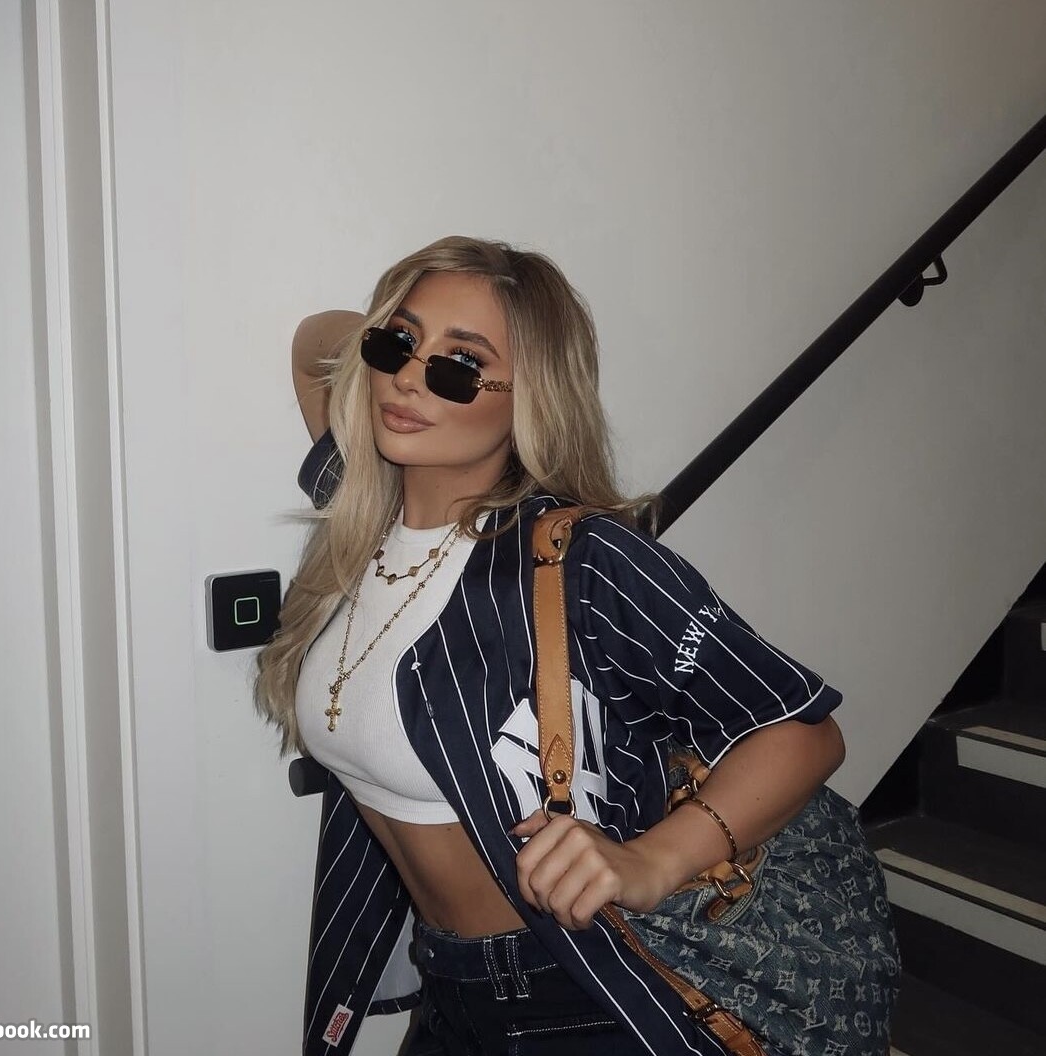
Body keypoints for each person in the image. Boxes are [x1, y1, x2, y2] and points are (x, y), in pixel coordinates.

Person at [255, 236, 896, 1056]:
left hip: (579, 989)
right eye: (399, 343)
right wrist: (414, 344)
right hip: (447, 986)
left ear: (532, 396)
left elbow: (802, 732)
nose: (409, 380)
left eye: (462, 365)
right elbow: (315, 342)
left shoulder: (582, 560)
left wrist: (652, 863)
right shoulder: (363, 513)